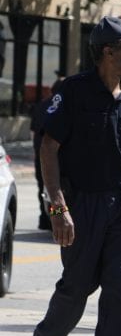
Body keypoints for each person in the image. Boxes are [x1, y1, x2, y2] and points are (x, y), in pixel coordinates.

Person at [30, 16, 121, 336]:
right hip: (82, 203)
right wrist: (56, 205)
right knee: (78, 287)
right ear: (106, 52)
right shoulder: (74, 92)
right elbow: (49, 147)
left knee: (119, 291)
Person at [30, 71, 66, 230]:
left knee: (43, 189)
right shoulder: (65, 106)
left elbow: (33, 133)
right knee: (59, 189)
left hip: (40, 155)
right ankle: (55, 218)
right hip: (59, 157)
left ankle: (46, 220)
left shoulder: (41, 106)